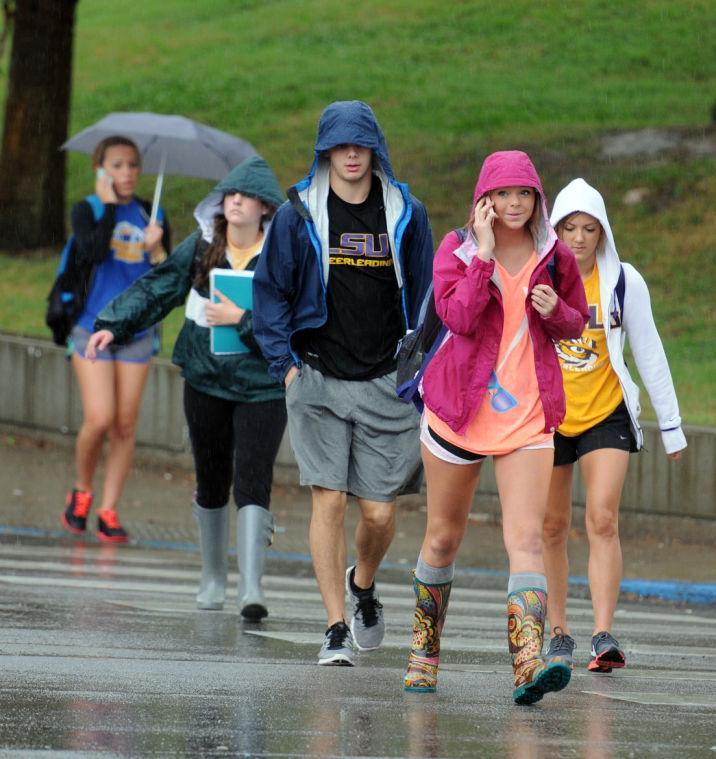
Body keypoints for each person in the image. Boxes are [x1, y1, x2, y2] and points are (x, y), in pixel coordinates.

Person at [403, 150, 590, 705]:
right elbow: (457, 318)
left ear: (537, 199)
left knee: (527, 539)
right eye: (503, 194)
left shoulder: (555, 256)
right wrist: (482, 256)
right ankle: (423, 652)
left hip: (528, 416)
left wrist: (555, 308)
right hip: (458, 414)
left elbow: (574, 322)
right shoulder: (457, 250)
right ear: (485, 199)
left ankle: (528, 663)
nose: (514, 204)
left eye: (524, 194)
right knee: (443, 536)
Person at [252, 100, 434, 665]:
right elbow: (270, 292)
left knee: (379, 512)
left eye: (361, 144)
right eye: (340, 145)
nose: (351, 154)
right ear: (324, 150)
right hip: (318, 377)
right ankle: (334, 626)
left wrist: (421, 370)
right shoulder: (298, 214)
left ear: (375, 148)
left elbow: (430, 298)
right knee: (327, 499)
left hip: (387, 380)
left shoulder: (406, 212)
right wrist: (285, 366)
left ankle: (363, 585)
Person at [85, 156, 287, 620]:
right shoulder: (201, 247)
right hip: (205, 378)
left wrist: (244, 320)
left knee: (254, 480)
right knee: (212, 478)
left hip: (263, 386)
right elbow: (159, 288)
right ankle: (213, 577)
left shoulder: (281, 256)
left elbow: (292, 321)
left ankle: (251, 589)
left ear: (265, 208)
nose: (235, 200)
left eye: (246, 195)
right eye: (229, 194)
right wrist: (113, 325)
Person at [542, 178, 686, 672]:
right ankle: (558, 630)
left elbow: (649, 352)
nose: (579, 239)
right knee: (552, 526)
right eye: (569, 228)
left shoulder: (624, 281)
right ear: (553, 230)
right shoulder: (538, 278)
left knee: (603, 518)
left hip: (607, 411)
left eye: (589, 229)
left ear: (603, 233)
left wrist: (672, 427)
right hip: (548, 416)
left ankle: (603, 635)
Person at [60, 135, 170, 544]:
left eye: (133, 165)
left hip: (136, 332)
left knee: (124, 425)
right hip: (91, 328)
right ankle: (83, 490)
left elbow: (167, 281)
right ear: (100, 168)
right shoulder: (86, 210)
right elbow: (88, 253)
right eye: (118, 165)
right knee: (100, 418)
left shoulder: (151, 214)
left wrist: (158, 251)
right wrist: (107, 207)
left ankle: (109, 509)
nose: (127, 173)